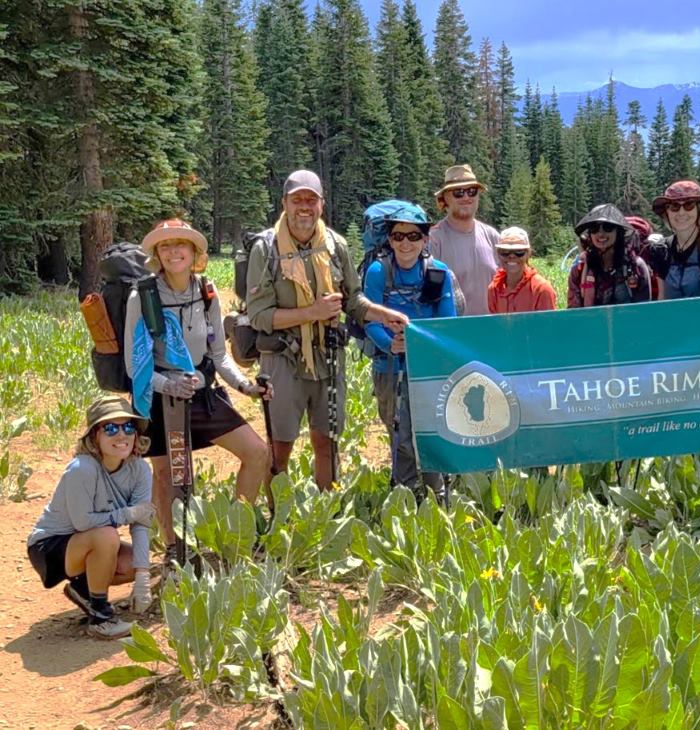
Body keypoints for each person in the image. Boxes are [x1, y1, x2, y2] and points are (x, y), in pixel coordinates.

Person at [245, 170, 409, 490]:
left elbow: (353, 301)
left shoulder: (336, 245)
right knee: (280, 446)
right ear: (285, 203)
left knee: (327, 442)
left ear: (321, 204)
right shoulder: (266, 249)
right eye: (297, 200)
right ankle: (277, 515)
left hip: (329, 357)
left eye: (311, 199)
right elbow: (259, 317)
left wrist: (383, 314)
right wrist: (312, 313)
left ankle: (326, 514)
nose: (304, 207)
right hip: (282, 359)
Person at [125, 219, 272, 569]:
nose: (173, 252)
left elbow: (218, 354)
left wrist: (245, 386)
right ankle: (176, 551)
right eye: (165, 246)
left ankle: (237, 534)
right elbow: (136, 365)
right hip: (160, 399)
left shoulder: (206, 291)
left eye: (181, 245)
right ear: (157, 255)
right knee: (168, 475)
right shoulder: (142, 296)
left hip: (203, 393)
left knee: (257, 454)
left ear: (195, 253)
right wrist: (167, 385)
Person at [27, 396, 155, 639]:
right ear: (94, 436)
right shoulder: (82, 468)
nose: (121, 436)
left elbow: (141, 523)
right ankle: (100, 618)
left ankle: (84, 590)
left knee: (133, 564)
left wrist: (142, 577)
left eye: (128, 427)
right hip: (52, 546)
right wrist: (127, 514)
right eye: (110, 428)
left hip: (90, 543)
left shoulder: (139, 470)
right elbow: (83, 523)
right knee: (107, 536)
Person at [363, 204, 456, 499]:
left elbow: (447, 322)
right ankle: (403, 492)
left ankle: (435, 491)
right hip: (388, 365)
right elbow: (368, 319)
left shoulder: (438, 274)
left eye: (414, 236)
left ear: (425, 240)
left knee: (429, 429)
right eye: (398, 235)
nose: (405, 243)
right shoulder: (378, 272)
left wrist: (418, 344)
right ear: (389, 239)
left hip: (427, 368)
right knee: (397, 430)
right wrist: (389, 344)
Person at [428, 164, 500, 315]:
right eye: (458, 193)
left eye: (472, 191)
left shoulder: (493, 236)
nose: (466, 197)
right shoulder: (433, 240)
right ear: (445, 198)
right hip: (452, 333)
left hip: (493, 329)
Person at [566, 204, 652, 308]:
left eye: (608, 227)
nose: (601, 233)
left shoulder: (636, 266)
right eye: (594, 228)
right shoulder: (579, 270)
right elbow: (574, 311)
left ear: (619, 232)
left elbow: (644, 310)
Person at [487, 227, 557, 313]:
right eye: (505, 252)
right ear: (498, 253)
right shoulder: (494, 289)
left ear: (528, 254)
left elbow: (548, 325)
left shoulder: (542, 289)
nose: (512, 256)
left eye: (519, 252)